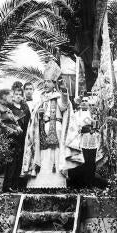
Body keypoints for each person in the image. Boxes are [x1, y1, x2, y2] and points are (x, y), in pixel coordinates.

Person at [21, 60, 82, 188]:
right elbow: (33, 118)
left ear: (54, 84)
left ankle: (57, 184)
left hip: (57, 129)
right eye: (44, 82)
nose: (45, 84)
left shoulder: (59, 96)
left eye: (48, 82)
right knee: (43, 157)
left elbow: (65, 106)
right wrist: (38, 113)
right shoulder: (40, 99)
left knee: (55, 156)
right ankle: (38, 184)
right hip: (42, 131)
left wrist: (65, 93)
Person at [0, 89, 23, 192]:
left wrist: (17, 127)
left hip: (13, 137)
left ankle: (10, 185)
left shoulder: (7, 108)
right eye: (10, 96)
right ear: (3, 96)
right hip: (5, 138)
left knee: (14, 162)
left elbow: (14, 120)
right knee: (7, 162)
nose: (12, 98)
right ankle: (5, 187)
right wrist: (13, 131)